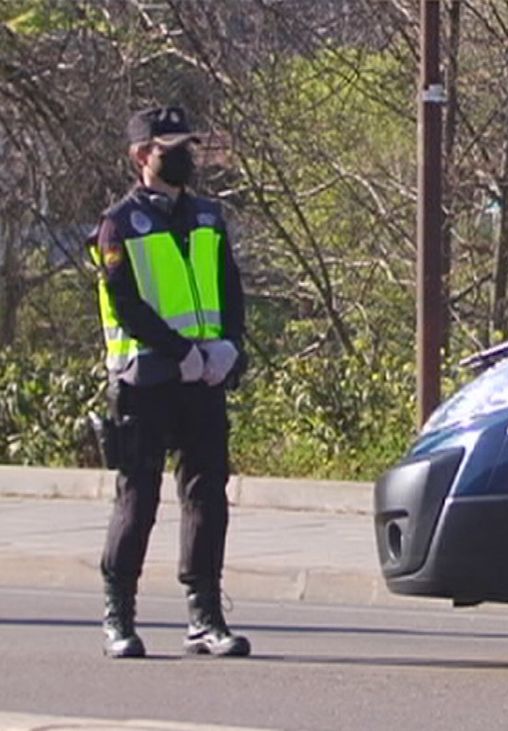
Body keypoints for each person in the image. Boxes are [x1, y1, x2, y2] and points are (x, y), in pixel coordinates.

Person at [89, 106, 250, 658]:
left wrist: (230, 347)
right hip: (146, 378)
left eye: (190, 146)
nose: (186, 157)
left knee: (208, 497)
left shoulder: (207, 216)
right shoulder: (118, 223)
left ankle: (204, 617)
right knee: (139, 499)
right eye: (172, 148)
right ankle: (119, 615)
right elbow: (125, 302)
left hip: (202, 378)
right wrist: (178, 350)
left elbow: (229, 287)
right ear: (142, 156)